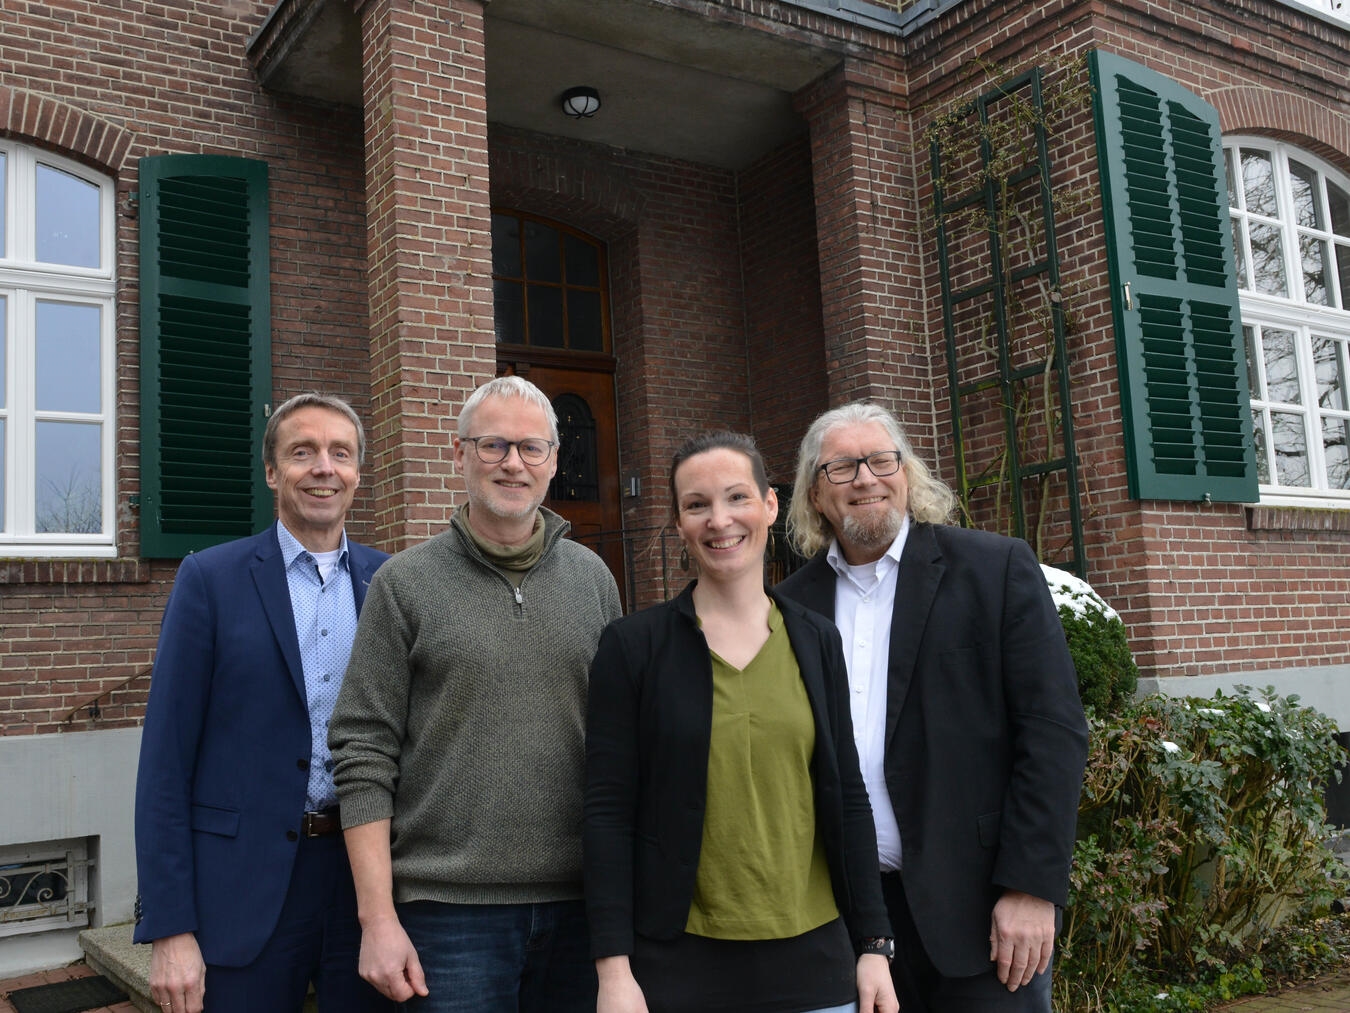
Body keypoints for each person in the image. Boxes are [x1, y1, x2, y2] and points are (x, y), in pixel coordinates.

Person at [776, 401, 1089, 1013]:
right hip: (846, 923)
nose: (865, 478)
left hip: (979, 914)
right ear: (815, 495)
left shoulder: (992, 569)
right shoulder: (788, 606)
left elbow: (1052, 732)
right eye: (840, 468)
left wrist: (1029, 888)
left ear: (907, 474)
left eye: (880, 460)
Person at [328, 375, 623, 1012]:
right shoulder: (403, 584)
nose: (512, 463)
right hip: (448, 916)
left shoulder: (594, 581)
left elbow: (617, 745)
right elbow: (363, 754)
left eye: (531, 448)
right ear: (459, 456)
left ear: (551, 463)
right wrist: (378, 921)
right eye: (493, 446)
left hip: (582, 909)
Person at [585, 430, 899, 1013]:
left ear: (770, 505)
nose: (719, 520)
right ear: (679, 523)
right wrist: (613, 970)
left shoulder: (815, 639)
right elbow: (607, 813)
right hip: (677, 966)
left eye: (736, 498)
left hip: (815, 964)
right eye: (696, 505)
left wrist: (874, 945)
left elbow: (847, 798)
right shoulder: (633, 647)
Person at [133, 392, 393, 1013]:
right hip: (242, 888)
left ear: (358, 472)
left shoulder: (391, 583)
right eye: (302, 452)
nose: (323, 468)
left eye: (340, 453)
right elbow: (166, 762)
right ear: (273, 472)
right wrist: (170, 927)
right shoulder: (210, 580)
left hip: (368, 884)